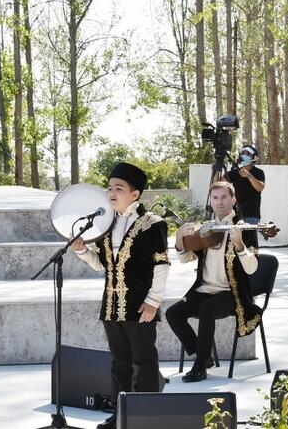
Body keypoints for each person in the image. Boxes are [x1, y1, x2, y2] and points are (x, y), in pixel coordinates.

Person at [71, 162, 170, 429]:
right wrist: (82, 251)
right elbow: (102, 264)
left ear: (135, 194)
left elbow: (162, 264)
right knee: (119, 363)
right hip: (111, 305)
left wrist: (153, 301)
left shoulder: (153, 223)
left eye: (118, 188)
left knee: (144, 361)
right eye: (109, 187)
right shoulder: (105, 223)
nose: (111, 192)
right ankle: (120, 415)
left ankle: (147, 415)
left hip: (140, 306)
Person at [166, 180, 261, 382]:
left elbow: (252, 268)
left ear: (233, 200)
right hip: (204, 289)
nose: (219, 202)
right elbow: (185, 259)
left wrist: (240, 246)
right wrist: (179, 241)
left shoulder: (244, 228)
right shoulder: (207, 228)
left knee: (207, 309)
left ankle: (200, 367)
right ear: (211, 200)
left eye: (224, 197)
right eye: (215, 198)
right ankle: (204, 356)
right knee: (173, 313)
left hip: (231, 294)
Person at [226, 144, 265, 224]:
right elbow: (219, 184)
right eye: (243, 153)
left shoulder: (258, 172)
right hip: (235, 215)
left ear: (254, 157)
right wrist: (216, 169)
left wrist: (249, 175)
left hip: (252, 215)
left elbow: (260, 187)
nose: (245, 155)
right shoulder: (235, 172)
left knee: (250, 236)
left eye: (248, 154)